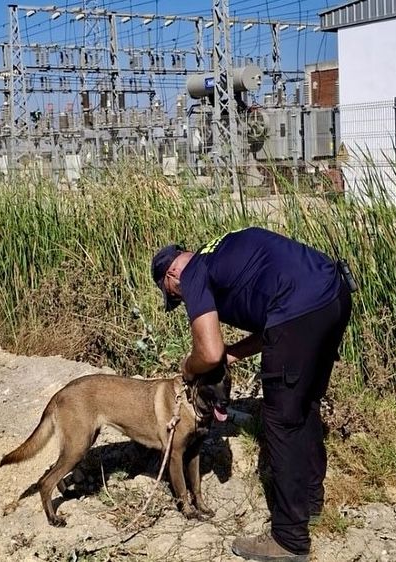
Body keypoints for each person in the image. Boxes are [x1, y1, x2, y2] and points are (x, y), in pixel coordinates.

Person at [151, 226, 353, 562]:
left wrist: (189, 367)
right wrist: (233, 352)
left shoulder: (194, 273)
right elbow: (273, 327)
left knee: (280, 420)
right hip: (334, 296)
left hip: (300, 309)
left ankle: (289, 540)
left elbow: (208, 352)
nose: (180, 298)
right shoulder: (221, 252)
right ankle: (310, 503)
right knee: (305, 404)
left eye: (173, 294)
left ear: (172, 273)